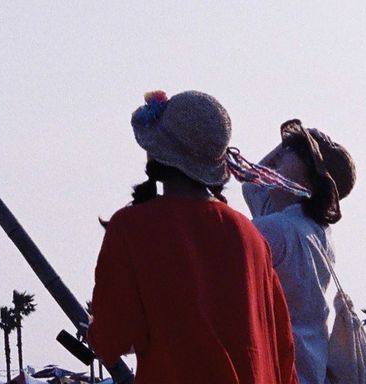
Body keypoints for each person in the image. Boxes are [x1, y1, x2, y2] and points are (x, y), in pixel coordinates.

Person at [88, 89, 297, 384]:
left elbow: (112, 338)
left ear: (156, 155)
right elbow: (282, 351)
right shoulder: (251, 237)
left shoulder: (131, 228)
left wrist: (94, 334)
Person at [243, 119, 357, 384]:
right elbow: (251, 184)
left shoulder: (278, 228)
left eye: (297, 152)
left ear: (312, 177)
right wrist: (292, 144)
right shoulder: (313, 230)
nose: (283, 154)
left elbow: (253, 180)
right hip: (307, 372)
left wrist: (291, 143)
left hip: (281, 372)